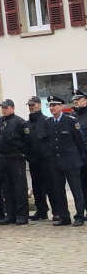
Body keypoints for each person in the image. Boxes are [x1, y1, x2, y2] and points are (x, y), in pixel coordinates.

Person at [45, 95, 86, 227]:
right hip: (56, 163)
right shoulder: (49, 122)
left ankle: (79, 215)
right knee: (58, 191)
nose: (52, 108)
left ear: (61, 107)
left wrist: (81, 159)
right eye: (50, 106)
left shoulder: (71, 121)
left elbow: (80, 142)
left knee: (76, 190)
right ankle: (64, 216)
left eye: (55, 105)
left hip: (71, 162)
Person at [0, 99, 31, 225]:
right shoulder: (0, 121)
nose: (3, 110)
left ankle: (22, 215)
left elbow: (27, 141)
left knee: (19, 188)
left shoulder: (20, 122)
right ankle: (10, 214)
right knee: (7, 188)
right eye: (2, 107)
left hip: (16, 158)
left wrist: (22, 153)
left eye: (6, 107)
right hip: (3, 158)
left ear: (12, 108)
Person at [26, 97, 53, 221]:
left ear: (39, 105)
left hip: (46, 160)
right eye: (29, 105)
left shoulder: (47, 121)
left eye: (33, 105)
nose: (31, 107)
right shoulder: (28, 123)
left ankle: (57, 211)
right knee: (36, 187)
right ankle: (41, 210)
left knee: (50, 186)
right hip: (33, 160)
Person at [72, 89, 87, 211]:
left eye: (78, 99)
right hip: (77, 156)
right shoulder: (73, 116)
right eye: (74, 100)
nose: (76, 101)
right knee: (81, 185)